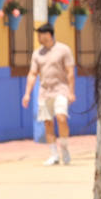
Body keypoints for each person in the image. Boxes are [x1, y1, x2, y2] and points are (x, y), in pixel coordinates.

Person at [22, 23, 76, 165]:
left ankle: (64, 147)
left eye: (40, 35)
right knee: (48, 122)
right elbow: (32, 74)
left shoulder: (63, 50)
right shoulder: (37, 54)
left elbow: (70, 72)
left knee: (61, 118)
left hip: (61, 89)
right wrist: (27, 94)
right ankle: (54, 154)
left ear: (48, 35)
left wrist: (71, 92)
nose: (38, 38)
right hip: (45, 92)